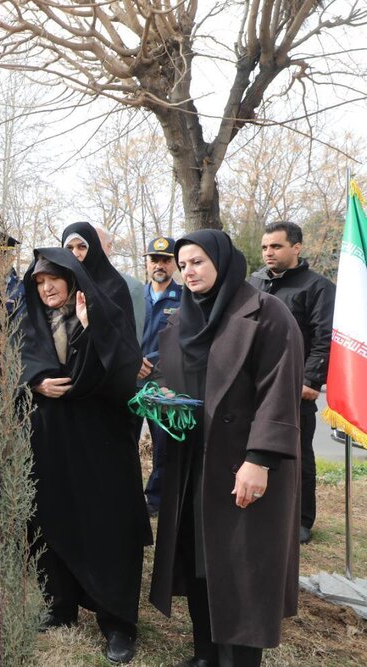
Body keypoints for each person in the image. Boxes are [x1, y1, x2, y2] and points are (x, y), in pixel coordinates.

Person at [149, 230, 302, 667]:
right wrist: (157, 390)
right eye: (183, 264)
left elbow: (279, 389)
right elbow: (181, 379)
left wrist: (260, 460)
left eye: (197, 261)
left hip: (243, 459)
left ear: (222, 260)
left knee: (242, 567)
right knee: (200, 559)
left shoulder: (266, 313)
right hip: (194, 459)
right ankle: (206, 654)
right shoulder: (183, 318)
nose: (188, 271)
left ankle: (240, 660)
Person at [19, 248, 151, 665]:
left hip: (102, 442)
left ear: (74, 278)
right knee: (51, 519)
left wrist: (96, 330)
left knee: (108, 527)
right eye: (38, 282)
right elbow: (12, 364)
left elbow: (126, 373)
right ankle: (61, 605)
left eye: (53, 279)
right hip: (49, 440)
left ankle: (118, 622)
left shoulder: (106, 312)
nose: (46, 288)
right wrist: (34, 381)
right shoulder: (28, 320)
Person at [249, 220, 335, 545]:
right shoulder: (254, 282)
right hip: (255, 387)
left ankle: (300, 519)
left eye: (276, 246)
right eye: (265, 247)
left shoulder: (318, 287)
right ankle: (264, 510)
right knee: (256, 450)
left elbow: (325, 338)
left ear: (296, 248)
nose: (268, 252)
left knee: (297, 454)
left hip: (295, 389)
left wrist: (311, 380)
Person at [138, 237, 182, 516]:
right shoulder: (133, 295)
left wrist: (153, 365)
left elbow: (185, 341)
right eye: (154, 259)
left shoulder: (186, 297)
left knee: (162, 445)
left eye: (166, 260)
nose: (159, 265)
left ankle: (156, 499)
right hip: (131, 381)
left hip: (162, 383)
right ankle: (130, 496)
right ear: (147, 262)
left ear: (174, 264)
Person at [94, 224, 146, 339]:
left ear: (109, 246)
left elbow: (133, 342)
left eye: (96, 242)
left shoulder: (131, 287)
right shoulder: (67, 284)